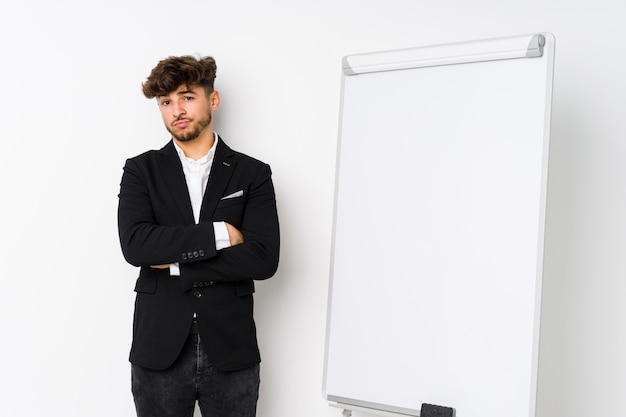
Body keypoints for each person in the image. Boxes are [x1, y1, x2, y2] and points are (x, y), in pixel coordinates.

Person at [117, 55, 280, 417]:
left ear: (213, 99)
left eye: (187, 96)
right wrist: (219, 233)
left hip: (230, 346)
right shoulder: (141, 171)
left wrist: (175, 264)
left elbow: (263, 258)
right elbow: (137, 245)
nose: (176, 109)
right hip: (159, 345)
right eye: (165, 102)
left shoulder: (252, 173)